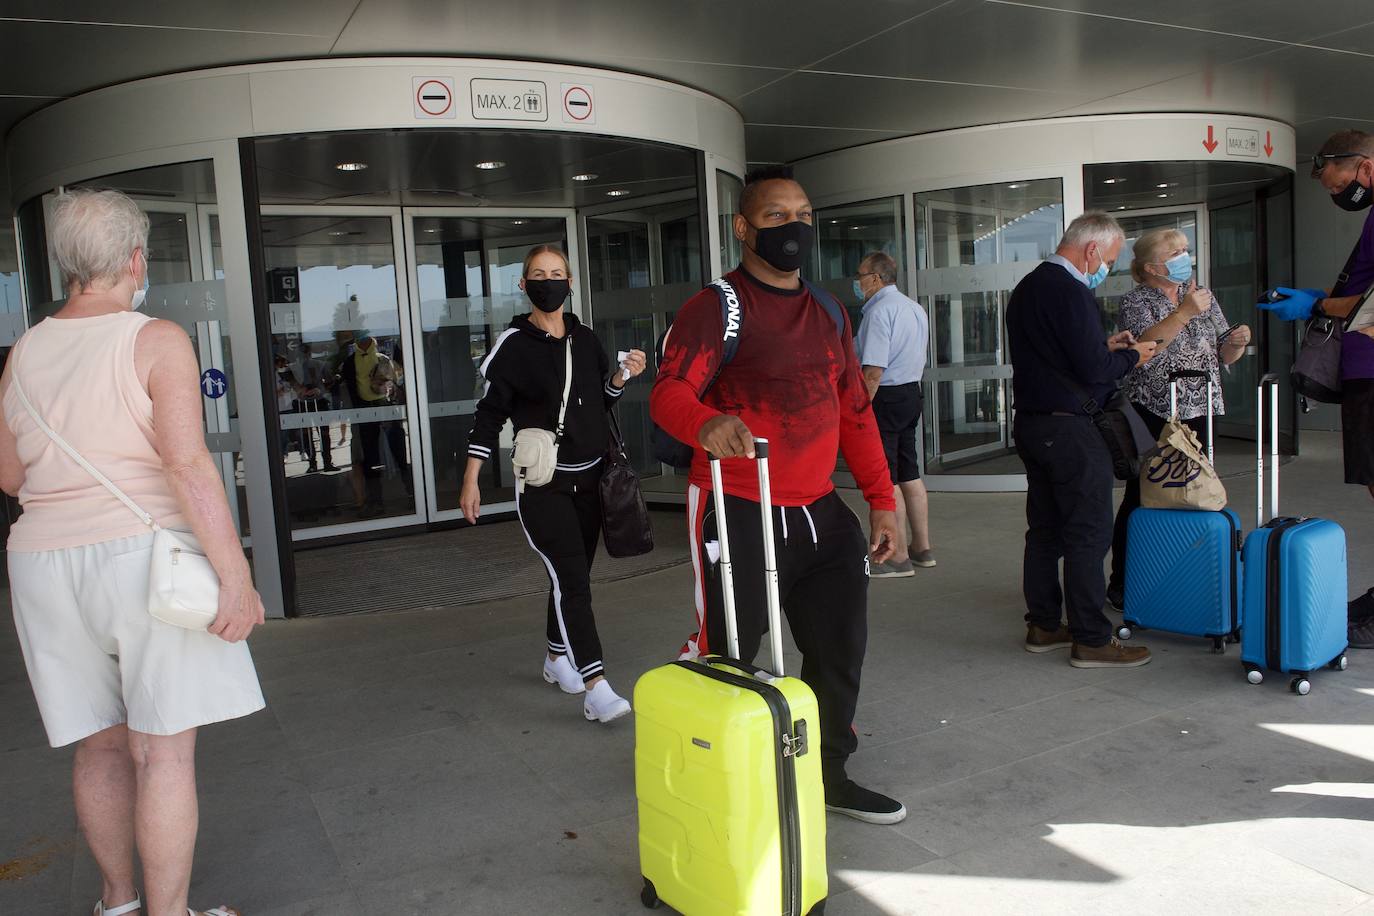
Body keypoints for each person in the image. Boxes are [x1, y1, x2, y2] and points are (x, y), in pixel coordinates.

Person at [0, 189, 264, 916]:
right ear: (135, 260)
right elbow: (187, 465)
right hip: (141, 561)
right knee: (163, 751)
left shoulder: (22, 353)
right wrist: (235, 575)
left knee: (99, 745)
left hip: (41, 567)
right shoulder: (154, 339)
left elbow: (10, 476)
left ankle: (117, 903)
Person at [651, 165, 906, 825]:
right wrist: (706, 424)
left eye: (803, 216)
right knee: (731, 652)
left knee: (838, 646)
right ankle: (718, 775)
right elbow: (669, 391)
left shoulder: (827, 312)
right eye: (775, 217)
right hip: (737, 502)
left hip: (818, 508)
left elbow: (854, 410)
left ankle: (826, 772)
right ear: (743, 228)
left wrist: (882, 498)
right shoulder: (717, 307)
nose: (794, 229)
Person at [461, 245, 647, 723]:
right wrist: (472, 479)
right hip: (544, 487)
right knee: (572, 582)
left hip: (591, 482)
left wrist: (622, 377)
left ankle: (554, 658)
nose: (549, 281)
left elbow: (598, 401)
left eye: (557, 273)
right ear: (524, 285)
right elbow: (489, 416)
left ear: (569, 282)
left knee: (571, 578)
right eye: (538, 275)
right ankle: (596, 684)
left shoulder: (585, 340)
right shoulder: (513, 346)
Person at [1007, 211, 1159, 668]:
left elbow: (1058, 355)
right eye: (1110, 258)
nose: (1106, 267)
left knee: (1046, 529)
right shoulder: (1071, 292)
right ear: (1092, 249)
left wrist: (1105, 347)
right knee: (1088, 533)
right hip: (1069, 429)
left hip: (1034, 424)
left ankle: (1044, 624)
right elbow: (1094, 372)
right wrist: (1133, 355)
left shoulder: (1029, 287)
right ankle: (1092, 637)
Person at [1259, 129, 1374, 649]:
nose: (1337, 196)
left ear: (1364, 167)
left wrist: (1314, 308)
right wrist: (1320, 294)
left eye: (1337, 185)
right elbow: (1362, 287)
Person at [1106, 229, 1251, 608]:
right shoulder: (1137, 301)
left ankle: (1190, 574)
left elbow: (1224, 352)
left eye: (1185, 250)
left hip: (1199, 405)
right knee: (1144, 493)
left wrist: (1236, 342)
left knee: (1197, 491)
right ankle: (1123, 580)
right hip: (1153, 408)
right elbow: (1146, 345)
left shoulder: (1202, 295)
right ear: (1153, 266)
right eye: (1176, 252)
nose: (1185, 258)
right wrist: (1184, 312)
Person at [853, 250, 934, 577]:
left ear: (875, 277)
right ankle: (922, 548)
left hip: (885, 397)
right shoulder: (913, 308)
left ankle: (897, 556)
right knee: (909, 473)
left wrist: (859, 410)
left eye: (860, 276)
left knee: (886, 477)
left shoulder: (879, 312)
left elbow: (872, 371)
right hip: (910, 393)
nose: (857, 283)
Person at [338, 329, 411, 516]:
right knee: (370, 459)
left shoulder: (382, 360)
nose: (365, 344)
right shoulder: (350, 363)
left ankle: (412, 494)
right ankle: (377, 501)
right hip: (364, 414)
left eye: (368, 341)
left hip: (385, 410)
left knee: (398, 453)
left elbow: (393, 384)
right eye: (362, 341)